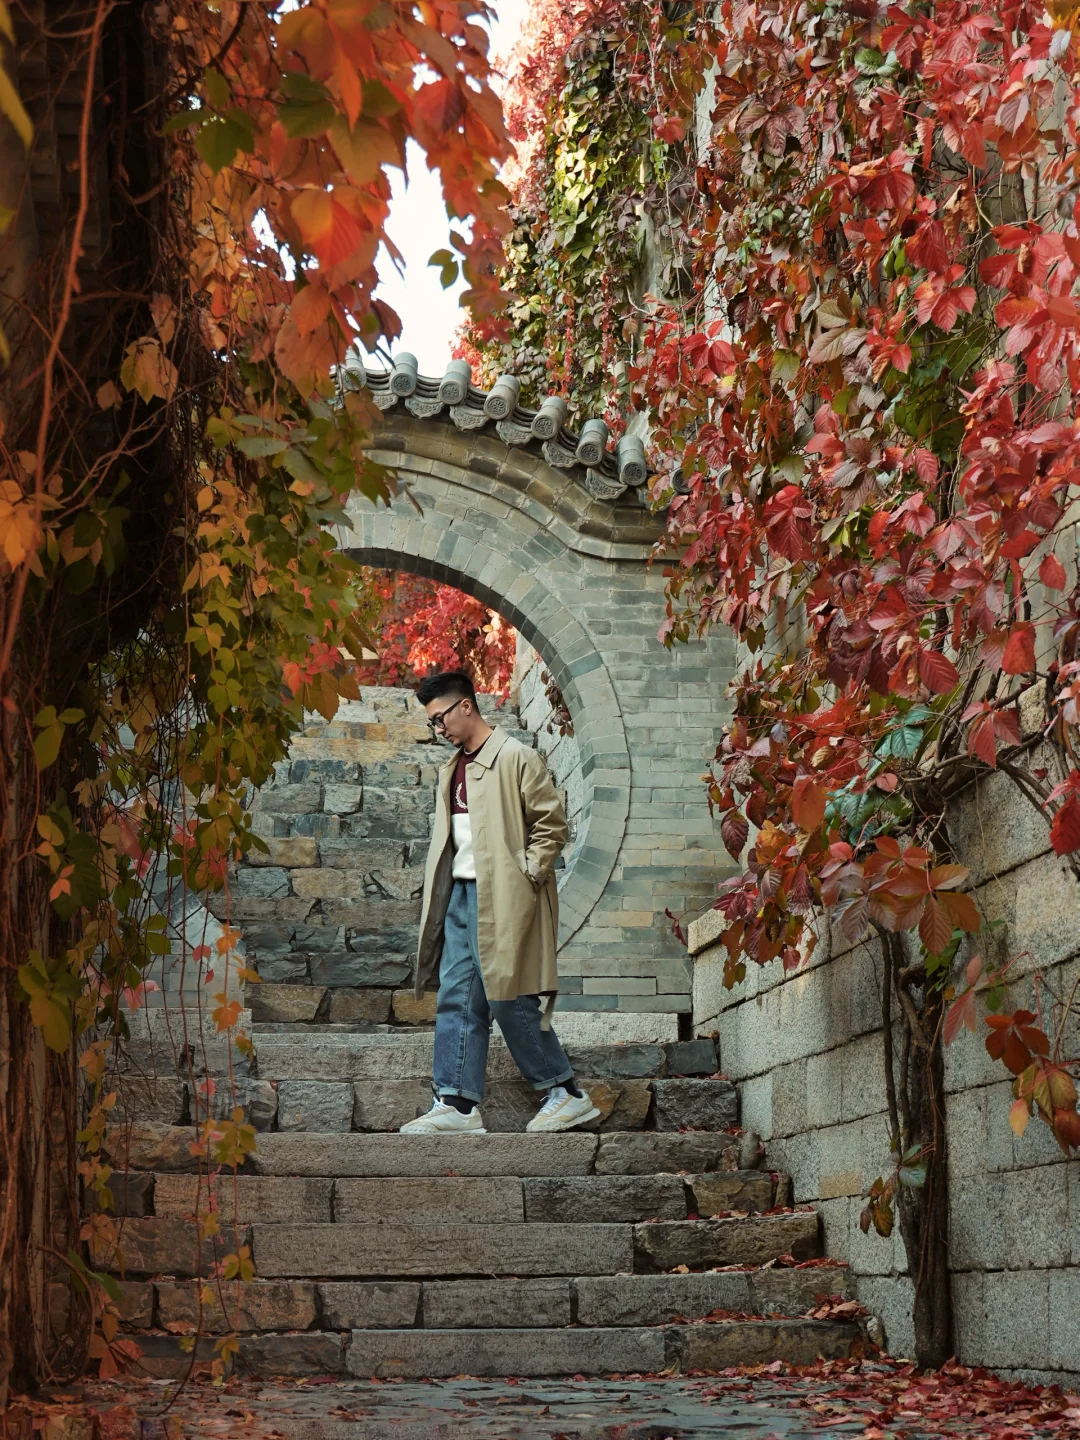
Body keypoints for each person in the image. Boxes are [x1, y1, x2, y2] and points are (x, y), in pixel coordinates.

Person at [400, 670, 598, 1134]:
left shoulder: (516, 757)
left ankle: (565, 1093)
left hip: (506, 896)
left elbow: (552, 825)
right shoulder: (452, 769)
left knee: (509, 995)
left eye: (440, 718)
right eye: (433, 723)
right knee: (456, 997)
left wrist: (525, 872)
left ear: (466, 706)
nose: (439, 729)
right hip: (461, 895)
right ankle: (457, 1104)